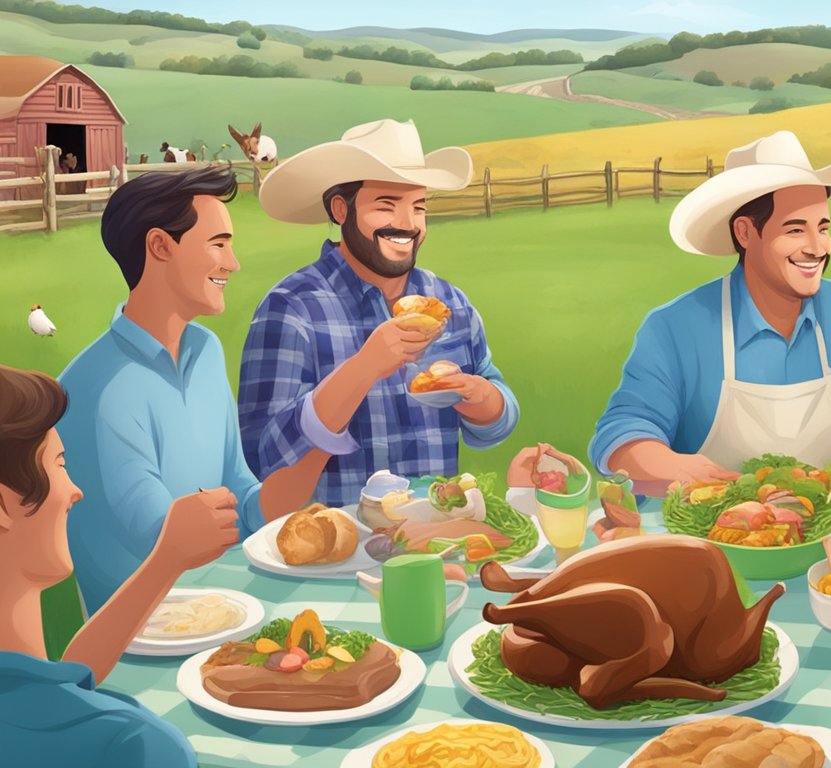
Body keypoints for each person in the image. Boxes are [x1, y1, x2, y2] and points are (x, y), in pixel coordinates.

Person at [590, 131, 831, 492]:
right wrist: (677, 468)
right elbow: (621, 438)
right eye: (795, 230)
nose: (816, 247)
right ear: (745, 233)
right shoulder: (675, 326)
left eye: (822, 228)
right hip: (718, 538)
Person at [57, 167, 317, 617]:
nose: (232, 263)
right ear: (160, 245)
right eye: (218, 243)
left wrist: (321, 446)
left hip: (222, 605)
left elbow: (241, 492)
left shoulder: (205, 350)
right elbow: (164, 537)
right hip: (141, 640)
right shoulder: (98, 387)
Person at [240, 119, 519, 507]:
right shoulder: (292, 307)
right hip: (336, 552)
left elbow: (496, 424)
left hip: (434, 542)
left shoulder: (449, 303)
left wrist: (477, 394)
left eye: (418, 207)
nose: (406, 225)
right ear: (341, 210)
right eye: (386, 206)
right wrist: (364, 367)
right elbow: (262, 456)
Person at [1, 365, 238, 767]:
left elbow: (63, 679)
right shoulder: (132, 745)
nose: (75, 490)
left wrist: (167, 560)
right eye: (58, 464)